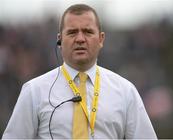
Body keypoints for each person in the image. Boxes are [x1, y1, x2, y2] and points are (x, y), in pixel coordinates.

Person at [2, 4, 157, 139]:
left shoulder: (126, 91)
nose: (80, 39)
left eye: (88, 32)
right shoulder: (34, 91)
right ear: (60, 40)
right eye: (72, 32)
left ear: (101, 39)